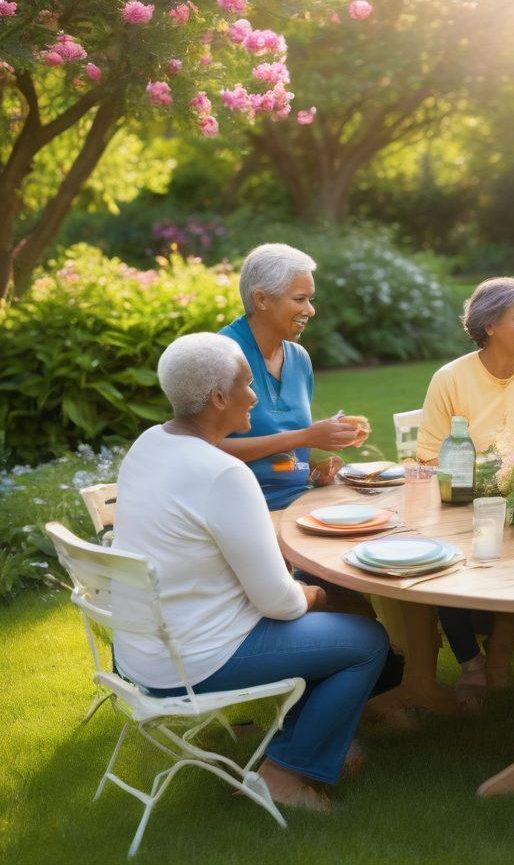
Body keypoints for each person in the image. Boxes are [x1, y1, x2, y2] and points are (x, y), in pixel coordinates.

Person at [113, 333, 400, 812]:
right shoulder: (223, 473)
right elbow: (281, 603)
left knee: (333, 627)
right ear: (219, 398)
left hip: (141, 650)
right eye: (247, 385)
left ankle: (322, 739)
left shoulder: (149, 444)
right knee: (366, 640)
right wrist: (317, 595)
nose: (255, 396)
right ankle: (286, 774)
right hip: (193, 659)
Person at [416, 277, 514, 698]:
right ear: (489, 326)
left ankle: (501, 649)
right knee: (443, 560)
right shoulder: (450, 378)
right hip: (461, 504)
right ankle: (470, 662)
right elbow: (428, 456)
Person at [219, 243, 364, 512]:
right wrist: (305, 436)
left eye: (311, 299)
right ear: (261, 299)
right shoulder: (221, 354)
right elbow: (208, 448)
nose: (310, 310)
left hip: (299, 502)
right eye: (299, 299)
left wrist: (312, 470)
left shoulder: (299, 358)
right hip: (240, 509)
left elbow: (281, 453)